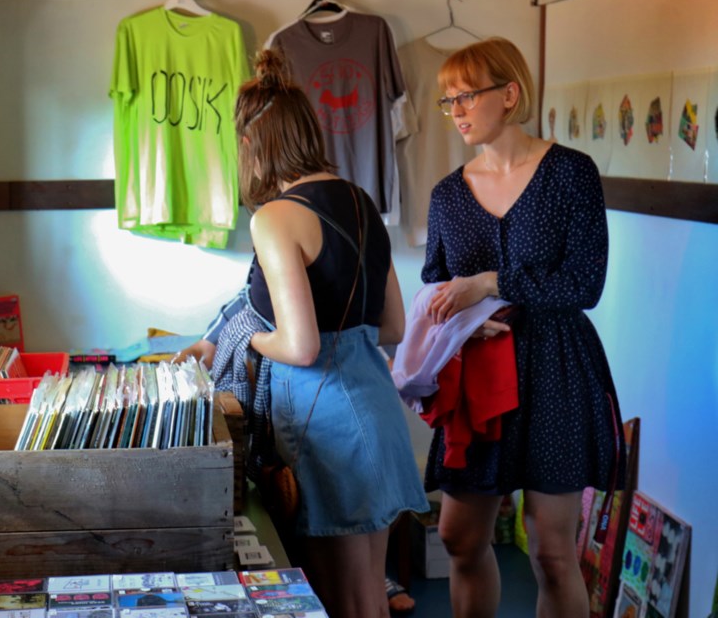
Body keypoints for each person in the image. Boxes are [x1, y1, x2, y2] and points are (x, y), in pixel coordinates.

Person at [200, 49, 428, 618]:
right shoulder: (361, 201)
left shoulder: (275, 217)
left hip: (326, 422)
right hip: (375, 406)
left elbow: (299, 347)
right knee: (368, 593)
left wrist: (247, 338)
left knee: (341, 602)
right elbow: (392, 326)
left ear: (253, 143)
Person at [419, 37, 623, 618]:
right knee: (460, 536)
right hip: (478, 375)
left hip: (556, 370)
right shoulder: (447, 195)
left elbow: (585, 284)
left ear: (509, 94)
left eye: (466, 96)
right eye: (447, 100)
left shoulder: (571, 173)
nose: (455, 111)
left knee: (554, 553)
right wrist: (457, 319)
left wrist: (488, 284)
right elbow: (435, 286)